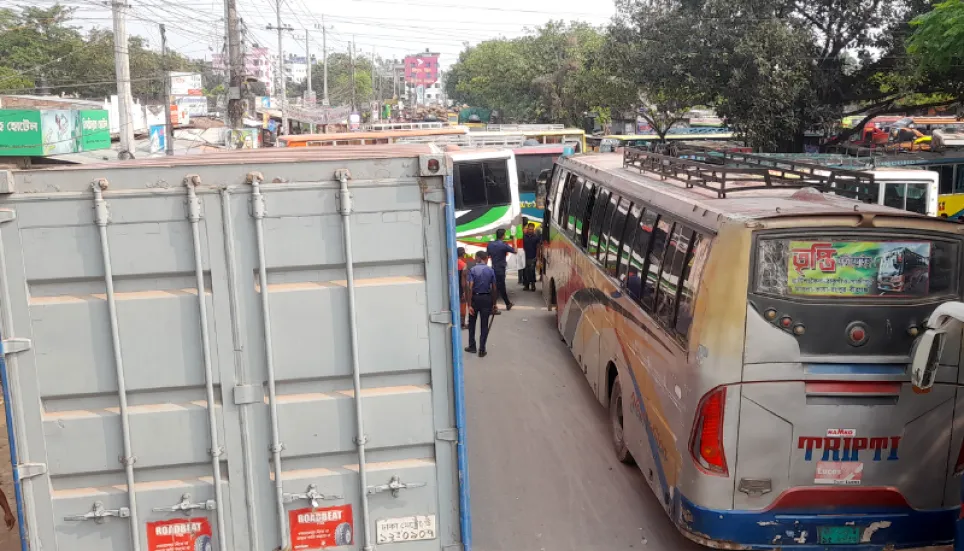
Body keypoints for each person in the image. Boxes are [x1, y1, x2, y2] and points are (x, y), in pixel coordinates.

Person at [465, 251, 498, 357]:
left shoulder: (472, 270)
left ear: (478, 258)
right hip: (486, 299)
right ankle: (482, 349)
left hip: (475, 298)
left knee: (472, 324)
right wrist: (494, 303)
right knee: (484, 325)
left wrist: (469, 305)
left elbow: (470, 287)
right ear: (486, 259)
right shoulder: (491, 271)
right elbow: (494, 288)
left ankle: (472, 346)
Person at [486, 228, 516, 311]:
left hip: (493, 267)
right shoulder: (503, 245)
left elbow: (487, 255)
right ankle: (497, 305)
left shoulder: (490, 244)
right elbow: (515, 251)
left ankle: (504, 303)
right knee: (500, 287)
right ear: (503, 236)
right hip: (500, 269)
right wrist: (514, 240)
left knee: (495, 286)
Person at [521, 223, 542, 291]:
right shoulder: (524, 237)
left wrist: (537, 256)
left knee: (532, 271)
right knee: (526, 271)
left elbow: (538, 247)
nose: (531, 230)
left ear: (534, 229)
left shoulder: (536, 237)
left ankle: (533, 285)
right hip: (525, 257)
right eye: (529, 229)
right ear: (528, 229)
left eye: (532, 229)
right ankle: (526, 285)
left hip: (533, 257)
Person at [457, 247, 468, 329]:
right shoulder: (463, 265)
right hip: (460, 288)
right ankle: (462, 324)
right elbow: (463, 280)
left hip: (452, 288)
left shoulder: (452, 263)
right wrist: (464, 291)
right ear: (463, 254)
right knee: (462, 306)